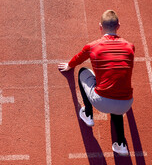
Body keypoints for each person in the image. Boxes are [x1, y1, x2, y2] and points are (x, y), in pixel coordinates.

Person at [58, 10, 135, 156]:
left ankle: (88, 115)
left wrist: (69, 65)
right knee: (116, 105)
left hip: (102, 101)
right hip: (126, 103)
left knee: (82, 72)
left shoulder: (93, 46)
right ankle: (121, 144)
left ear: (100, 27)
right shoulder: (130, 47)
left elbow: (78, 59)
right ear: (118, 26)